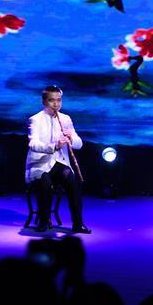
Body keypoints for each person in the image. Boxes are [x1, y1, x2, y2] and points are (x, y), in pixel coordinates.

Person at [25, 86, 90, 234]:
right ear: (44, 102)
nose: (56, 104)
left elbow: (79, 144)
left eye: (59, 100)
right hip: (40, 164)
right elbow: (33, 143)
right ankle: (44, 220)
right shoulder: (35, 119)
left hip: (59, 163)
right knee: (45, 182)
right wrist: (54, 146)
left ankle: (78, 223)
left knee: (73, 180)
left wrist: (71, 137)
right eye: (51, 100)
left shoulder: (66, 119)